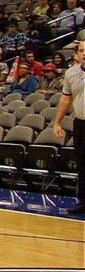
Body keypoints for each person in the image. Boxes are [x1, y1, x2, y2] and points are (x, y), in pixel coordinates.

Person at [52, 41, 85, 215]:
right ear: (77, 54)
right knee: (82, 164)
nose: (84, 54)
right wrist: (57, 122)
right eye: (81, 51)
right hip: (80, 123)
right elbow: (66, 99)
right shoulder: (71, 73)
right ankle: (83, 201)